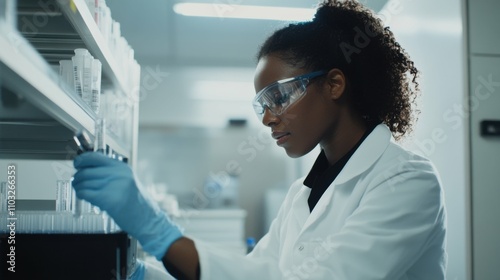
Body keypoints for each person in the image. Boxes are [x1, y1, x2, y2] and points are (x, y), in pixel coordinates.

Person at [72, 0, 447, 279]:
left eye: (279, 96)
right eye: (262, 104)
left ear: (334, 84)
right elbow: (259, 273)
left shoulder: (407, 180)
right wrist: (145, 273)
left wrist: (159, 232)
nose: (268, 118)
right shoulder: (303, 192)